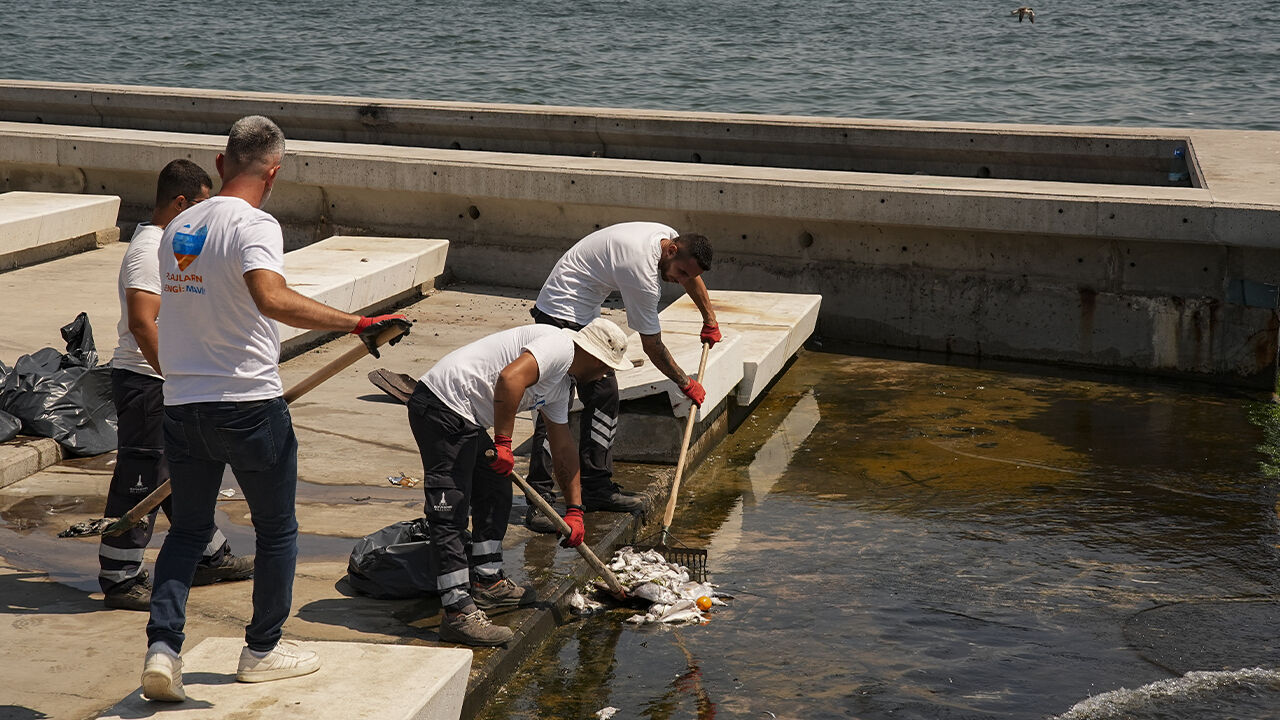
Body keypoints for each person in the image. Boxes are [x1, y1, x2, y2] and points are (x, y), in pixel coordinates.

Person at [140, 115, 411, 702]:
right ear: (275, 171)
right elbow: (272, 298)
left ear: (220, 163)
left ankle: (163, 647)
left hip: (183, 403)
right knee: (277, 531)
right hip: (247, 405)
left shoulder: (178, 226)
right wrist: (359, 322)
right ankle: (261, 649)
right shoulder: (255, 223)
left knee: (187, 530)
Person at [407, 318, 632, 646]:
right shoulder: (558, 347)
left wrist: (574, 509)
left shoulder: (561, 386)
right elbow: (509, 379)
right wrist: (503, 442)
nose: (604, 377)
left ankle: (488, 583)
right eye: (607, 370)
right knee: (449, 511)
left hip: (469, 418)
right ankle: (457, 613)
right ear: (596, 359)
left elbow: (562, 445)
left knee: (495, 492)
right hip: (442, 405)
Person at [99, 159, 254, 612]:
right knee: (142, 481)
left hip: (167, 380)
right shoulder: (148, 250)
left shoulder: (172, 244)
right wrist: (176, 377)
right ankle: (120, 577)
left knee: (183, 475)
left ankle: (209, 555)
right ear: (182, 202)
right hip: (148, 382)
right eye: (202, 204)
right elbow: (143, 324)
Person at [524, 221, 718, 532]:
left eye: (686, 275)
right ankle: (540, 501)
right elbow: (652, 346)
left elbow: (691, 277)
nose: (679, 280)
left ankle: (596, 488)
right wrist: (685, 382)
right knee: (553, 402)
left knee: (604, 395)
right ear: (671, 250)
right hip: (558, 314)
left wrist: (709, 317)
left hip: (584, 314)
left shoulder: (667, 239)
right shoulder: (642, 273)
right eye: (679, 273)